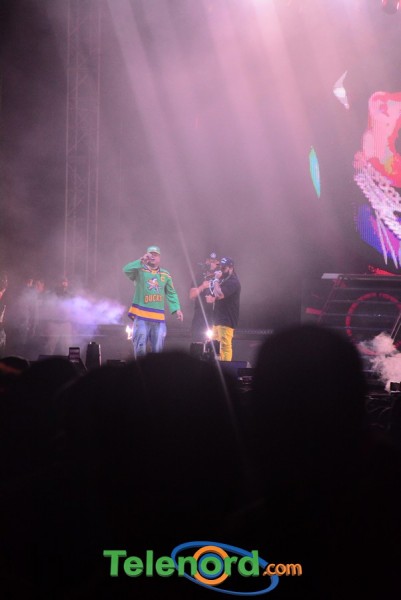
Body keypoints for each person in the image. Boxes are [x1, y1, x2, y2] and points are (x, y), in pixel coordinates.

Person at [123, 245, 183, 357]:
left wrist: (177, 309)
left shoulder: (165, 274)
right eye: (151, 254)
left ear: (160, 257)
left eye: (156, 254)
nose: (153, 256)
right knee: (140, 349)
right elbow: (126, 270)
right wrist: (141, 260)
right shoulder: (139, 270)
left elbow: (171, 293)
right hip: (141, 317)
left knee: (158, 351)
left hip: (158, 319)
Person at [205, 256, 241, 361]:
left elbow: (220, 294)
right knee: (214, 346)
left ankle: (226, 368)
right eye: (220, 267)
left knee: (224, 346)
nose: (221, 270)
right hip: (217, 319)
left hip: (226, 320)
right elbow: (215, 294)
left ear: (231, 268)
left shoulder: (233, 281)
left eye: (224, 268)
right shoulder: (224, 280)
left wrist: (216, 279)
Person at [189, 251, 220, 341]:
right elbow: (191, 295)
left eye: (214, 261)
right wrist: (202, 286)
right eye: (210, 261)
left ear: (218, 263)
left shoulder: (221, 276)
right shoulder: (199, 276)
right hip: (200, 316)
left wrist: (214, 298)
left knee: (215, 344)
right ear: (206, 261)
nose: (212, 264)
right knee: (197, 342)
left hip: (215, 316)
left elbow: (226, 295)